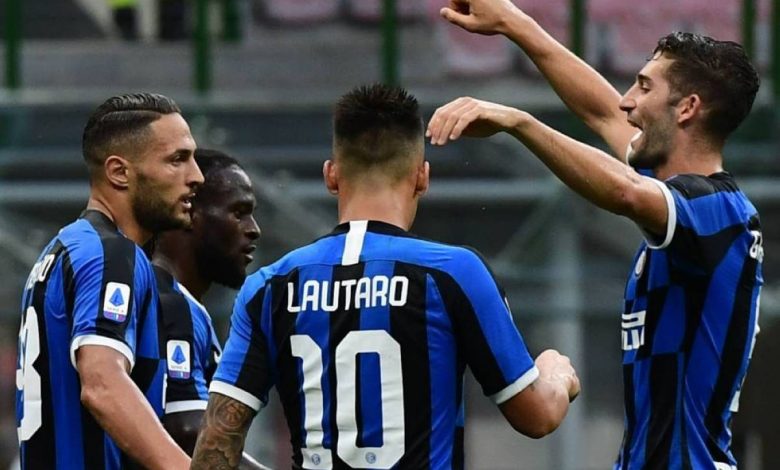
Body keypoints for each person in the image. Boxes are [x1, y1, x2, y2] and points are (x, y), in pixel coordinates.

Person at [427, 1, 763, 469]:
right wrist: (513, 22)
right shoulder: (687, 204)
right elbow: (602, 113)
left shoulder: (717, 212)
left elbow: (625, 191)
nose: (627, 101)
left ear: (687, 109)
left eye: (644, 86)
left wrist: (518, 121)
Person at [190, 84, 581, 469]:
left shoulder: (268, 286)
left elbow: (216, 443)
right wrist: (556, 372)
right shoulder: (455, 273)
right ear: (422, 177)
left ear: (331, 176)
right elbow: (537, 416)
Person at [15, 93, 203, 469]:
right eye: (177, 160)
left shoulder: (64, 249)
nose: (196, 176)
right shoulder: (112, 254)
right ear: (119, 172)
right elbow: (102, 384)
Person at [150, 149, 267, 469]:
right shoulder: (169, 304)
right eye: (238, 212)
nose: (253, 228)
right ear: (188, 211)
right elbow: (190, 436)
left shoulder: (175, 301)